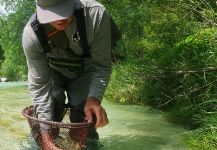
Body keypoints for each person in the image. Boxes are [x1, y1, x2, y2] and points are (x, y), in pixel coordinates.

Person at [22, 0, 112, 149]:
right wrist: (45, 138)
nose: (60, 18)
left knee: (83, 117)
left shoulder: (96, 14)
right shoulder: (31, 34)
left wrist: (94, 98)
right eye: (52, 13)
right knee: (49, 113)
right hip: (51, 71)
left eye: (63, 10)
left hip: (85, 68)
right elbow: (39, 85)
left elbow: (102, 65)